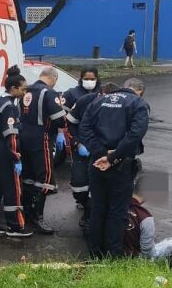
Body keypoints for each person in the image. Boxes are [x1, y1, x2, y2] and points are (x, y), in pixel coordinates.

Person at [79, 78, 149, 258]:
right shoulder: (138, 104)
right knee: (117, 211)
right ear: (138, 91)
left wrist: (100, 152)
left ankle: (95, 253)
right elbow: (135, 135)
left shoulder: (99, 100)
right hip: (121, 165)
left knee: (97, 208)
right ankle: (113, 256)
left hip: (96, 163)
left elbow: (84, 128)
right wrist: (112, 157)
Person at [0, 66, 32, 237]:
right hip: (5, 149)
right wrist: (16, 157)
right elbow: (11, 136)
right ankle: (15, 226)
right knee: (13, 188)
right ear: (14, 88)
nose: (25, 92)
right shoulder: (10, 107)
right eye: (23, 89)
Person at [66, 81, 119, 233]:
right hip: (84, 148)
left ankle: (90, 217)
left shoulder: (118, 107)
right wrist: (77, 142)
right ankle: (84, 204)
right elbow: (71, 123)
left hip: (103, 152)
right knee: (79, 185)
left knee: (98, 188)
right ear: (100, 93)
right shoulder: (85, 101)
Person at [19, 66, 66, 235]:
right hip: (42, 138)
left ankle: (25, 211)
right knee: (45, 177)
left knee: (28, 176)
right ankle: (38, 216)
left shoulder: (26, 90)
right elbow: (59, 120)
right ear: (53, 79)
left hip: (23, 136)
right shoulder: (49, 93)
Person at [124, 175, 156, 259]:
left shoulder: (115, 206)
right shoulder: (145, 218)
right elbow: (148, 255)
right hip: (130, 261)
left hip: (108, 253)